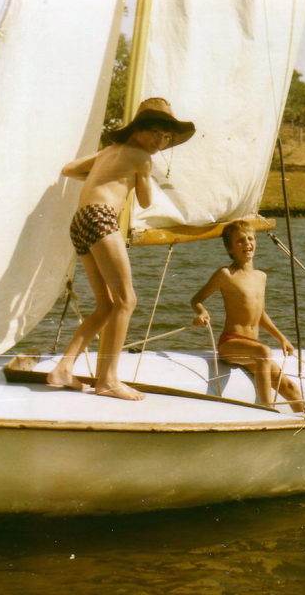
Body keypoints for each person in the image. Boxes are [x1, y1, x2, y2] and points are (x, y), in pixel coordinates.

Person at [47, 98, 195, 400]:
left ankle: (64, 368)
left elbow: (69, 169)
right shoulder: (143, 158)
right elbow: (145, 201)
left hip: (81, 221)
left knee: (106, 305)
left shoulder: (108, 151)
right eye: (154, 132)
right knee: (127, 300)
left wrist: (107, 175)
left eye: (166, 137)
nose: (159, 141)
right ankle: (108, 381)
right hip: (102, 217)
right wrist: (141, 175)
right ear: (137, 130)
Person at [190, 220, 305, 413]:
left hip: (254, 349)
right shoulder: (226, 274)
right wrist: (202, 312)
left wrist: (281, 338)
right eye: (240, 241)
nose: (247, 243)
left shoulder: (261, 276)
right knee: (263, 352)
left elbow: (259, 314)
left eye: (250, 239)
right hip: (231, 344)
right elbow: (196, 299)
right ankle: (266, 408)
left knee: (290, 388)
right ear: (229, 248)